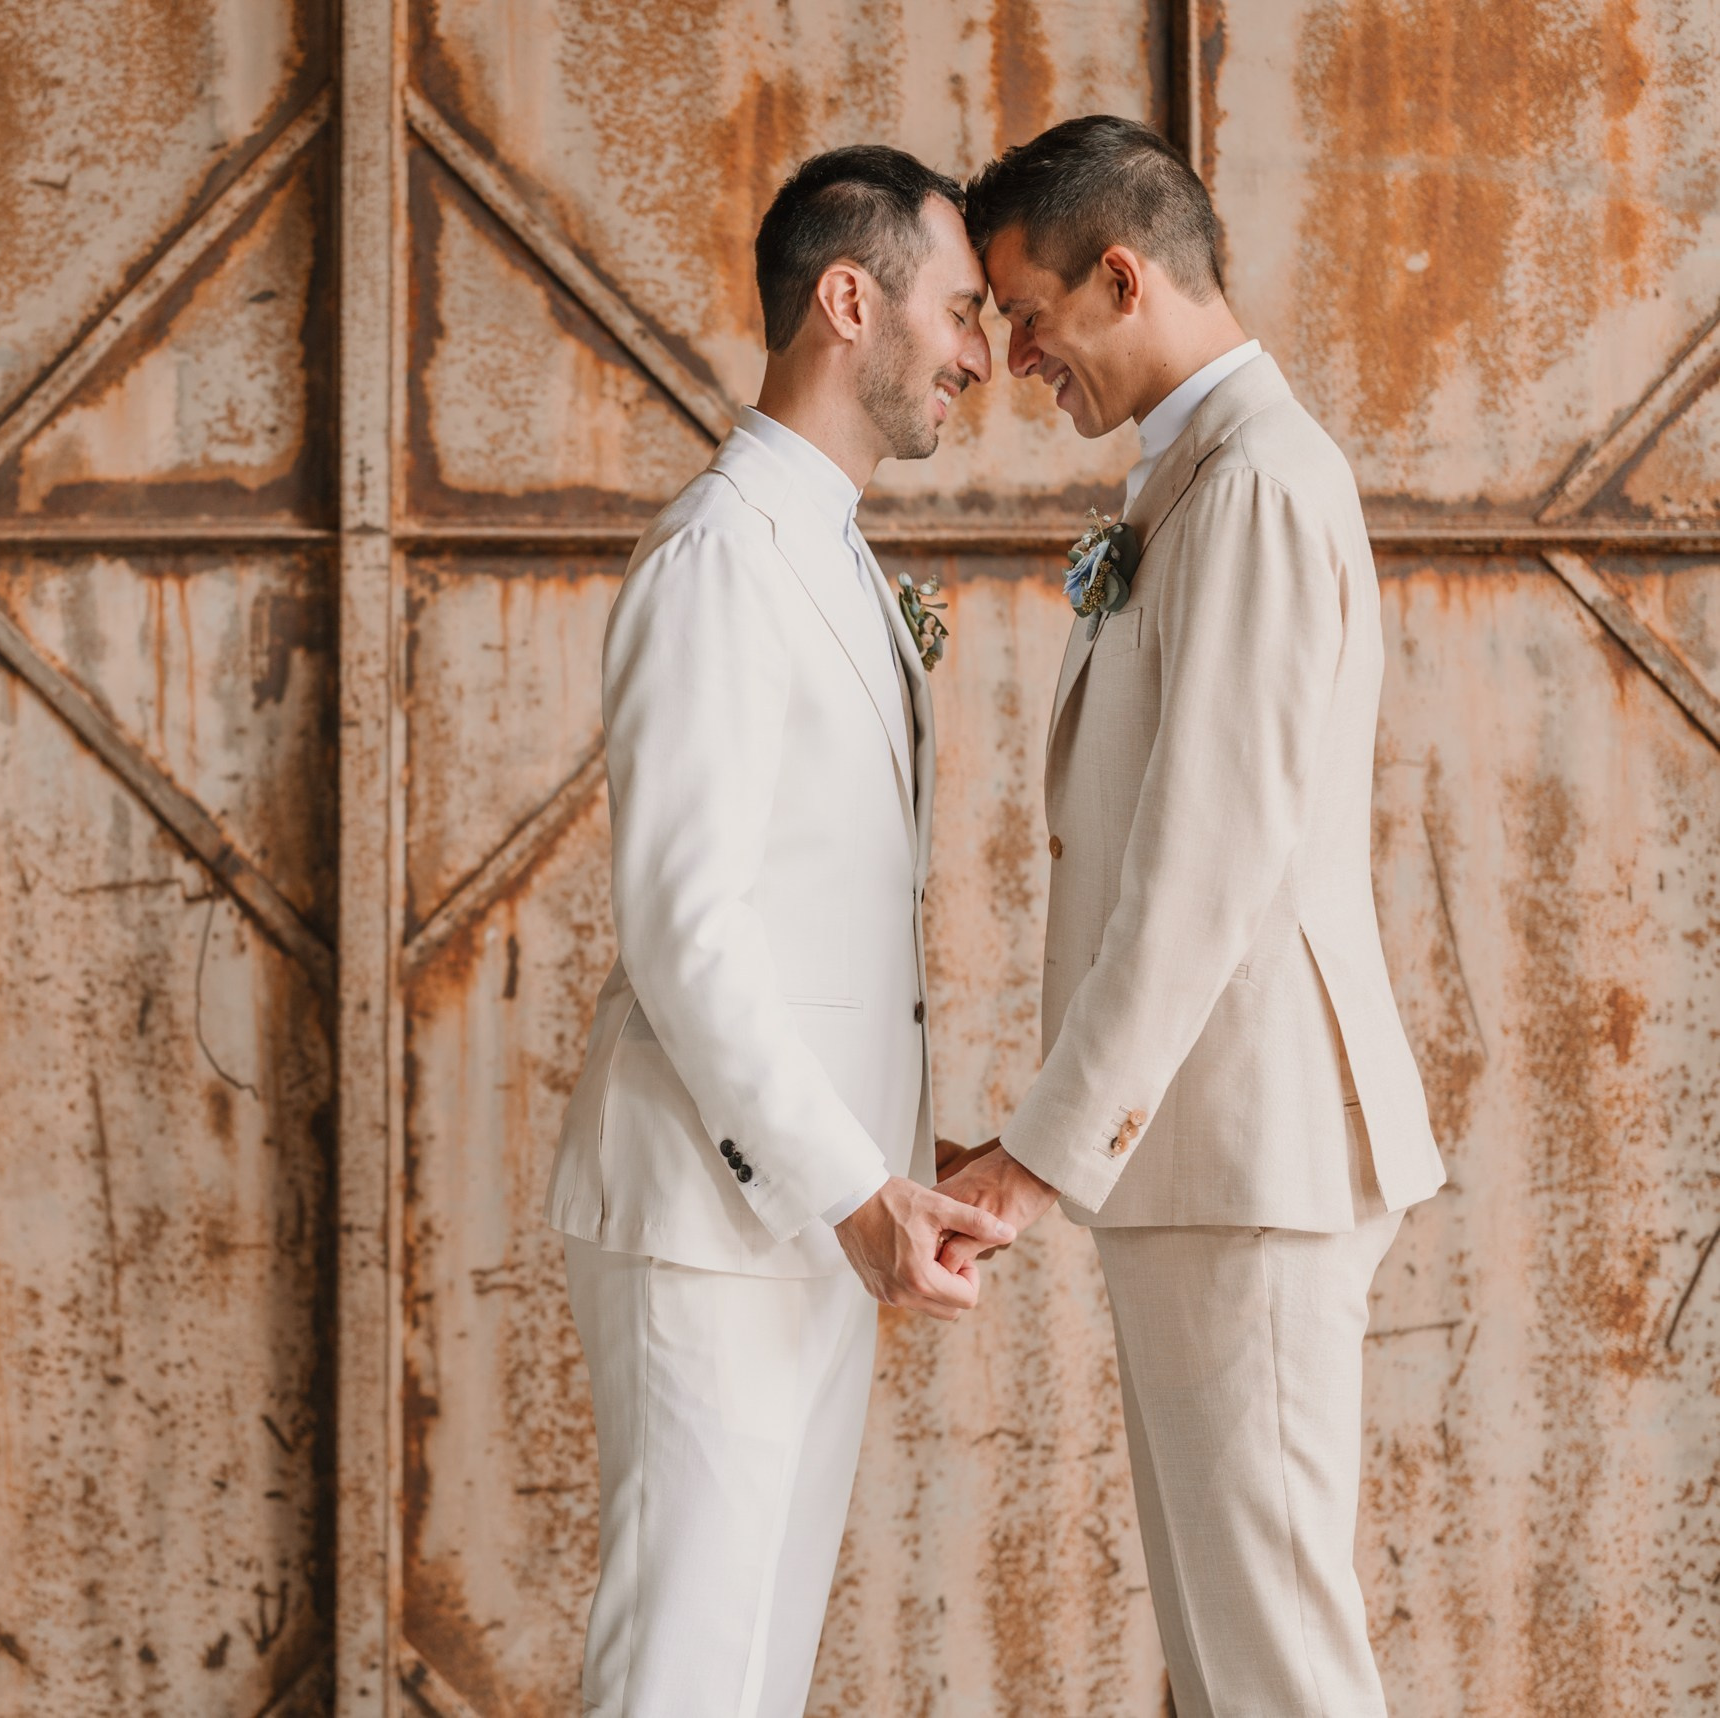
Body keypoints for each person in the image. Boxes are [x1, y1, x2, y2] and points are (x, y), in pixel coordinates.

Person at [938, 115, 1446, 1717]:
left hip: (1255, 1145)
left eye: (1027, 314)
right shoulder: (1200, 475)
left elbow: (1203, 859)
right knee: (1233, 1659)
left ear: (1123, 274)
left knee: (1279, 1661)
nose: (1017, 358)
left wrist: (1037, 1148)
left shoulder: (1257, 485)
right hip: (1205, 1158)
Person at [543, 145, 1011, 1718]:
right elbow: (688, 929)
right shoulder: (717, 555)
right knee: (684, 1670)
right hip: (715, 1212)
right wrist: (844, 1186)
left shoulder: (837, 557)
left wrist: (885, 1174)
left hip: (822, 1208)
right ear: (846, 298)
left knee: (750, 1675)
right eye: (957, 312)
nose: (978, 355)